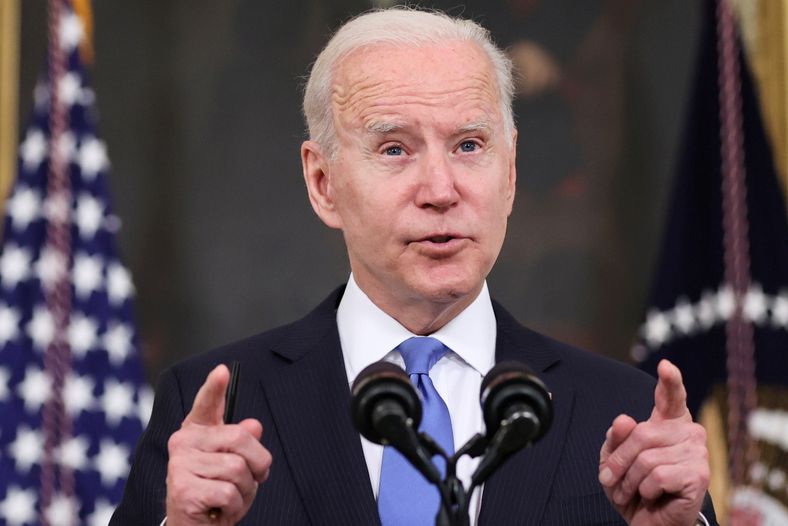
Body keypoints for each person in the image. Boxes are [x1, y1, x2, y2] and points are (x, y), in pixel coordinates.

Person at [112, 8, 715, 526]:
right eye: (395, 148)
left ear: (509, 175)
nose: (440, 189)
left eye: (469, 146)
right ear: (322, 184)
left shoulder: (624, 413)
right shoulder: (218, 408)